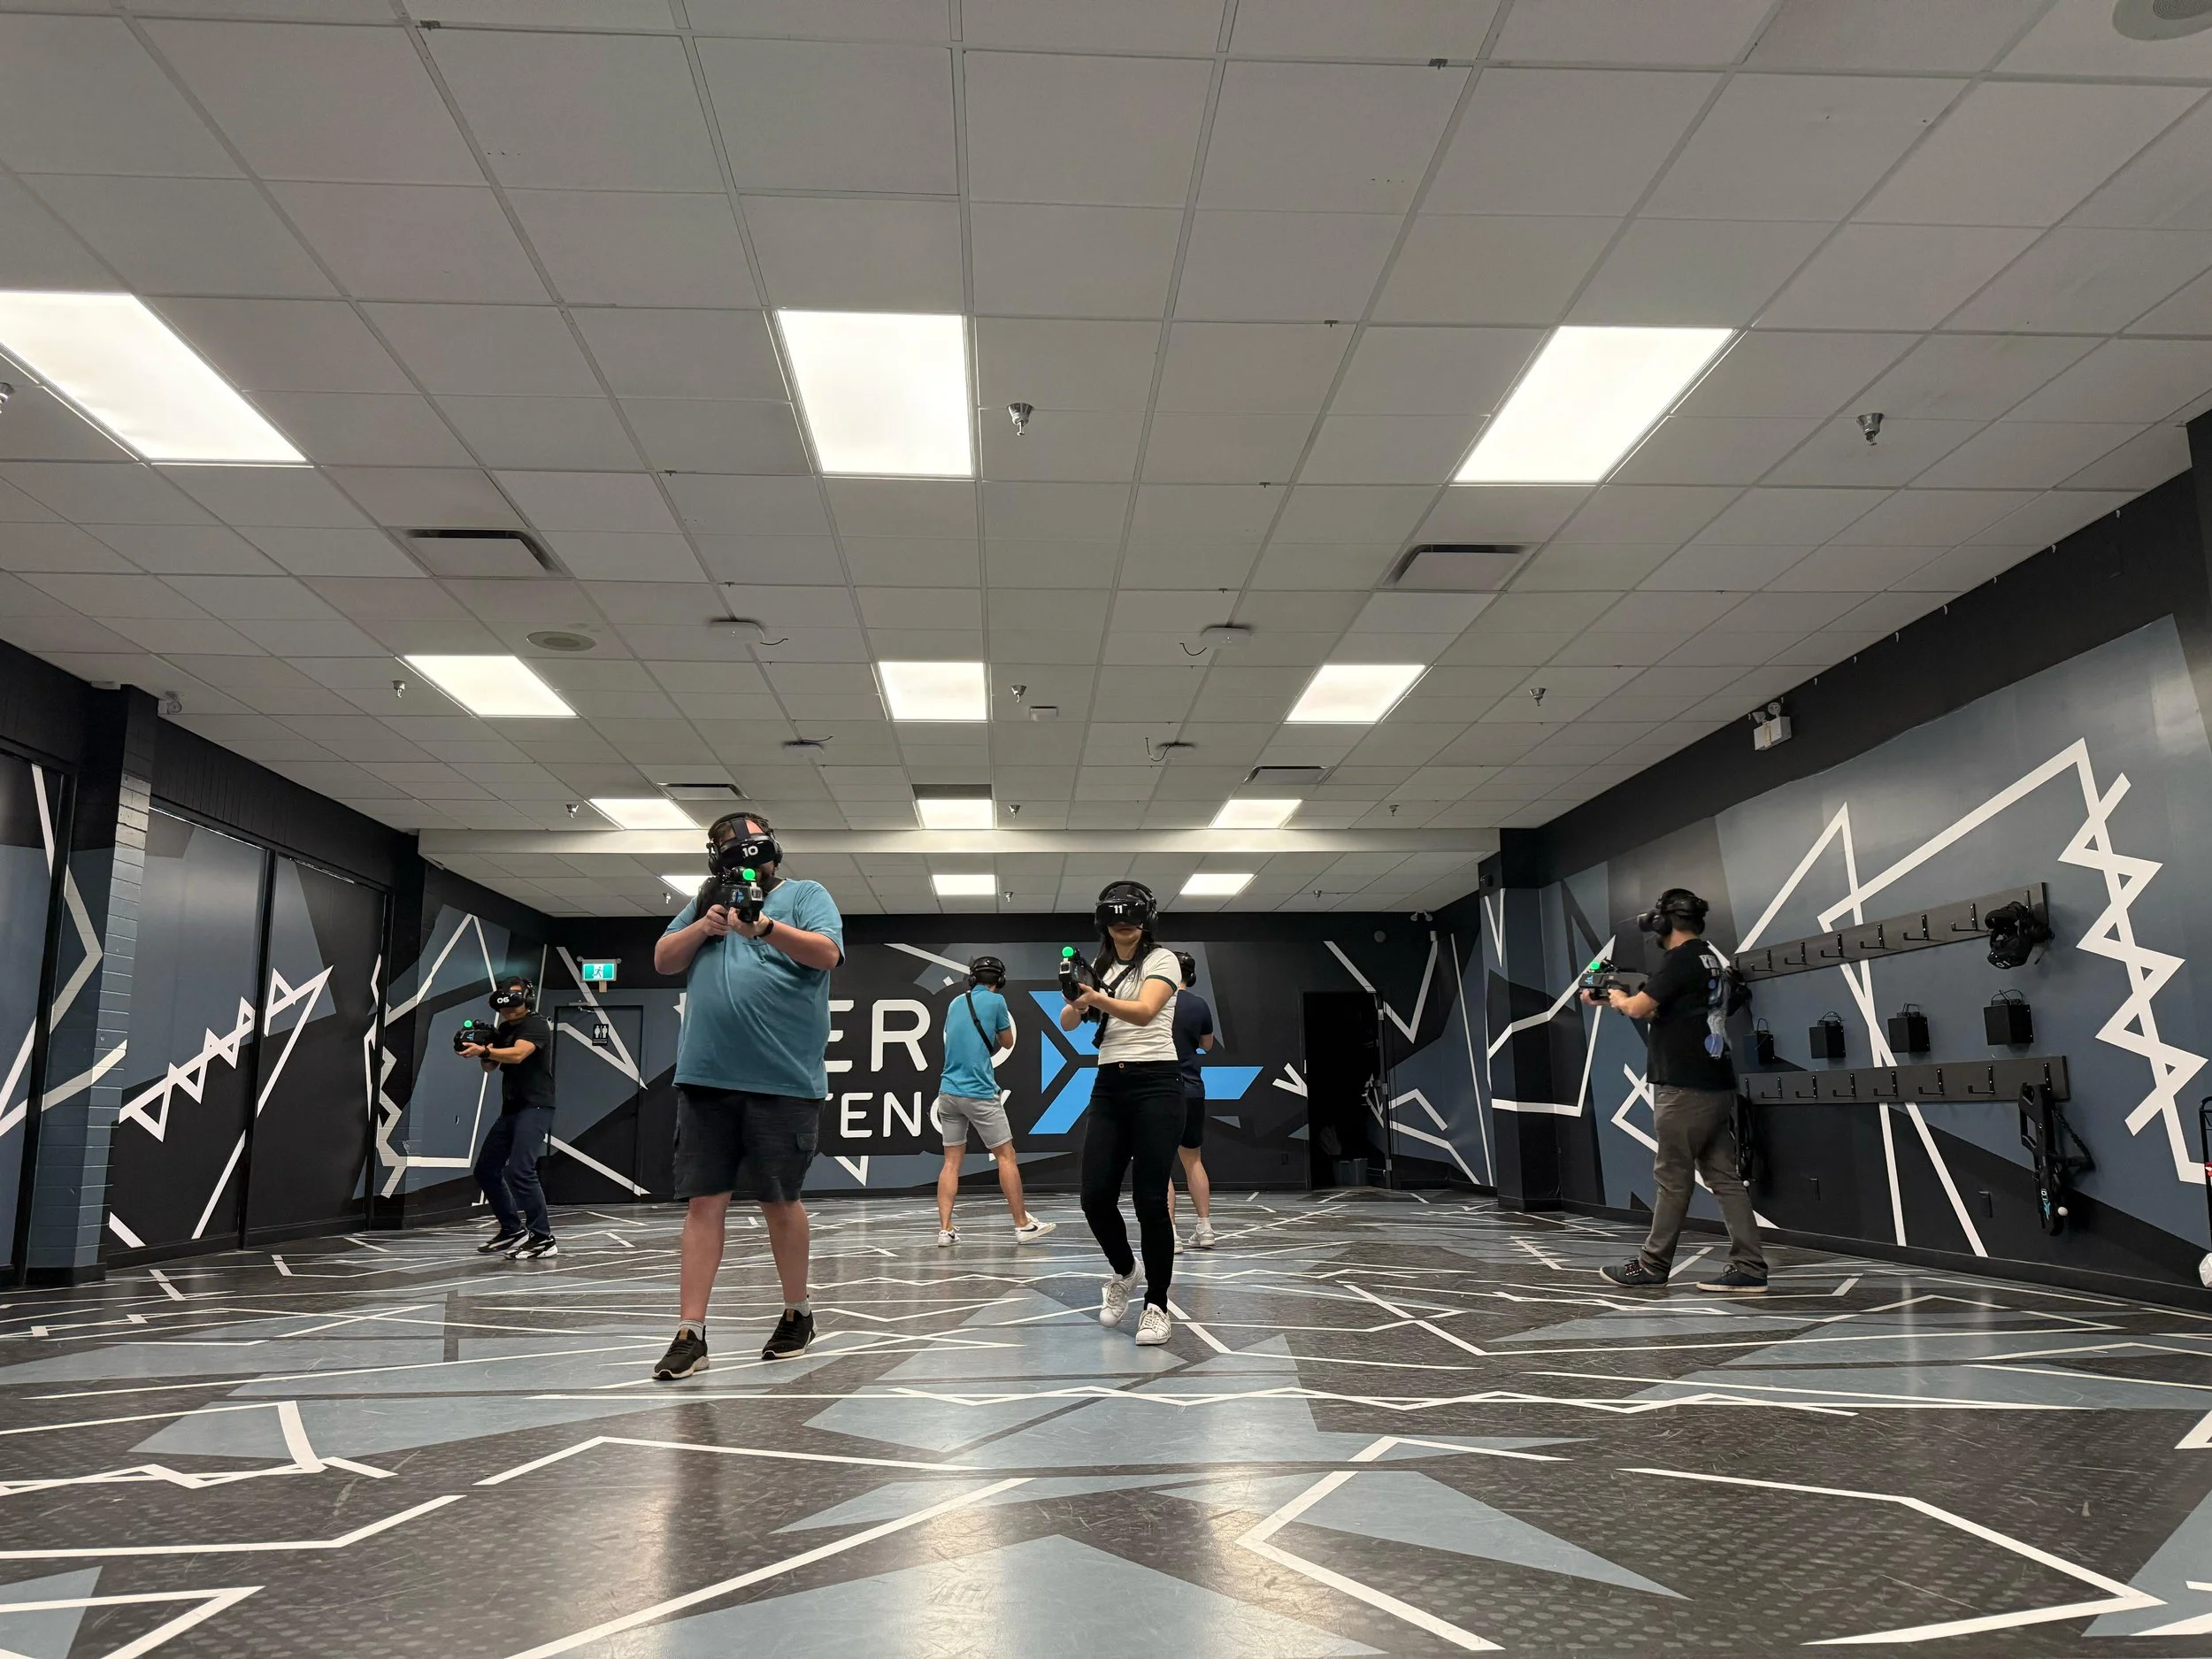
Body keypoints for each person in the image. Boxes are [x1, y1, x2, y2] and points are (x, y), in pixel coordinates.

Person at [648, 813, 845, 1379]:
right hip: (707, 1078)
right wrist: (705, 926)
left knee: (778, 1199)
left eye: (755, 851)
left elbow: (827, 954)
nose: (747, 863)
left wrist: (763, 929)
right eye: (734, 855)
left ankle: (797, 1311)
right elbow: (663, 959)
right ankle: (692, 1332)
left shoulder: (806, 894)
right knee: (703, 1201)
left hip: (781, 1080)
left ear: (773, 853)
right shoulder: (707, 901)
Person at [1585, 888, 1768, 1294]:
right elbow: (1676, 1010)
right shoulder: (1711, 962)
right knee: (1723, 1177)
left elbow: (1637, 1008)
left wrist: (1615, 996)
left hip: (1683, 1088)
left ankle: (1652, 1264)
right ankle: (1750, 1266)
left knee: (1672, 1176)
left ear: (1664, 923)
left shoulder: (1680, 960)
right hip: (1716, 1083)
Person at [1063, 880, 1184, 1346]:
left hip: (1157, 1083)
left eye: (1132, 920)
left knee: (1151, 1200)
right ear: (1104, 924)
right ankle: (1125, 1271)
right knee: (1094, 1196)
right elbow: (1070, 1021)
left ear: (1146, 921)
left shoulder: (1162, 960)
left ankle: (1157, 1303)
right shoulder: (1098, 964)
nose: (1124, 928)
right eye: (1116, 921)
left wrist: (1095, 998)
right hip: (1110, 1083)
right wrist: (1077, 995)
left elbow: (1146, 1011)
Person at [934, 956, 1056, 1248]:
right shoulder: (997, 1003)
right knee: (1006, 1155)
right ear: (999, 980)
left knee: (951, 1162)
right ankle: (1022, 1224)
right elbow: (1008, 1041)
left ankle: (945, 1230)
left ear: (973, 978)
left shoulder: (954, 1003)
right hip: (978, 1091)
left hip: (948, 1093)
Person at [462, 974, 558, 1261]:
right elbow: (490, 1067)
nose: (507, 1003)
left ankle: (543, 1238)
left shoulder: (537, 1024)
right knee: (486, 1170)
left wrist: (488, 1049)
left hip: (537, 1106)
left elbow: (518, 1055)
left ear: (526, 998)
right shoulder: (504, 1028)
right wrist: (480, 1046)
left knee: (520, 1170)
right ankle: (512, 1229)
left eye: (513, 996)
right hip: (511, 1109)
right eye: (503, 997)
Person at [1165, 949, 1217, 1250]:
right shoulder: (1199, 1004)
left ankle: (1170, 1233)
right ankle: (1205, 1228)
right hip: (1193, 1089)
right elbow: (1207, 1045)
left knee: (1160, 1165)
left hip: (1162, 1091)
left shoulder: (1155, 1003)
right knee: (1193, 1161)